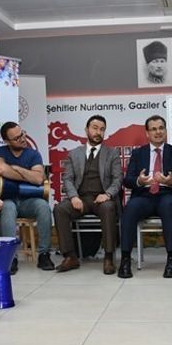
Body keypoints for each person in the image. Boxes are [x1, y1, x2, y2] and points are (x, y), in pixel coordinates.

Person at [118, 115, 172, 279]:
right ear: (147, 133)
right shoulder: (138, 153)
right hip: (144, 195)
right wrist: (139, 181)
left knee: (167, 206)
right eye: (153, 129)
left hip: (167, 194)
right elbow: (127, 180)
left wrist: (170, 181)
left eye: (161, 128)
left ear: (166, 131)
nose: (158, 132)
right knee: (130, 208)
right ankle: (125, 259)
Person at [53, 115, 123, 274]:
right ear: (86, 130)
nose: (98, 132)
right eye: (95, 128)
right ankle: (70, 257)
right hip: (81, 199)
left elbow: (118, 179)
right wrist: (73, 196)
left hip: (101, 199)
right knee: (60, 209)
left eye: (102, 129)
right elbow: (67, 179)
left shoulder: (112, 153)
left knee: (108, 208)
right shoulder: (74, 154)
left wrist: (107, 194)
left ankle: (108, 257)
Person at [0, 121, 55, 271]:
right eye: (16, 138)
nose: (22, 139)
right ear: (6, 141)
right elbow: (0, 169)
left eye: (22, 134)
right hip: (8, 199)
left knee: (43, 206)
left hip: (29, 201)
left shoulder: (33, 154)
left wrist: (17, 169)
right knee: (7, 208)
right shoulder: (0, 151)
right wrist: (28, 175)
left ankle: (44, 254)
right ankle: (10, 257)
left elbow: (39, 179)